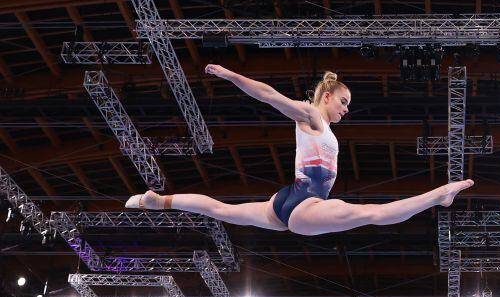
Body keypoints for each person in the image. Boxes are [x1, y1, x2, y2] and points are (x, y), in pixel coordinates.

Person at [125, 64, 474, 236]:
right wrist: (231, 75)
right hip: (307, 204)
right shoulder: (311, 115)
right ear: (326, 96)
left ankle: (159, 201)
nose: (346, 109)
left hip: (287, 198)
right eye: (343, 101)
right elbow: (267, 95)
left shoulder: (316, 125)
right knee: (372, 213)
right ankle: (439, 195)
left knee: (221, 210)